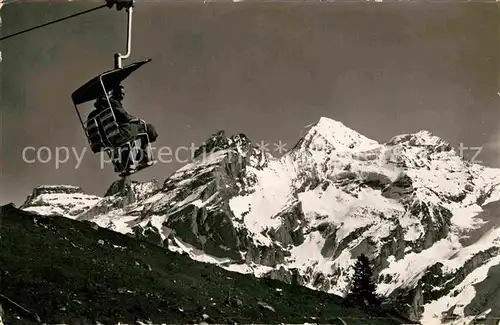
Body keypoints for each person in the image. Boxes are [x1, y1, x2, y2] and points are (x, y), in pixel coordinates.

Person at [89, 84, 158, 170]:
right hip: (118, 135)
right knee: (148, 128)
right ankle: (143, 157)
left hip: (104, 141)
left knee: (126, 137)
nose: (122, 96)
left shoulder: (92, 115)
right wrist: (137, 119)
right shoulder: (111, 104)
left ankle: (125, 164)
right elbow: (124, 116)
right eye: (120, 93)